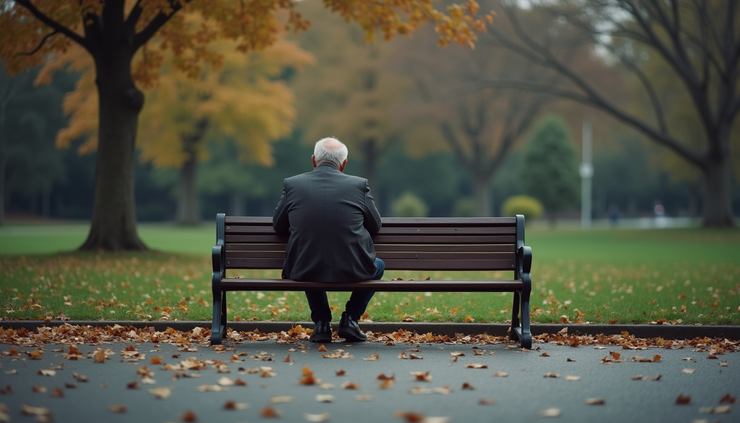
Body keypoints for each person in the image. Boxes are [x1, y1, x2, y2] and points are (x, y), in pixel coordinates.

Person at [272, 137, 384, 343]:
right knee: (378, 265)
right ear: (344, 164)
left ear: (314, 160)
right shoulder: (359, 185)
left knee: (308, 258)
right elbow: (376, 225)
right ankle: (350, 318)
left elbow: (278, 226)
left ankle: (322, 323)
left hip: (303, 267)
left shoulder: (292, 184)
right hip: (353, 268)